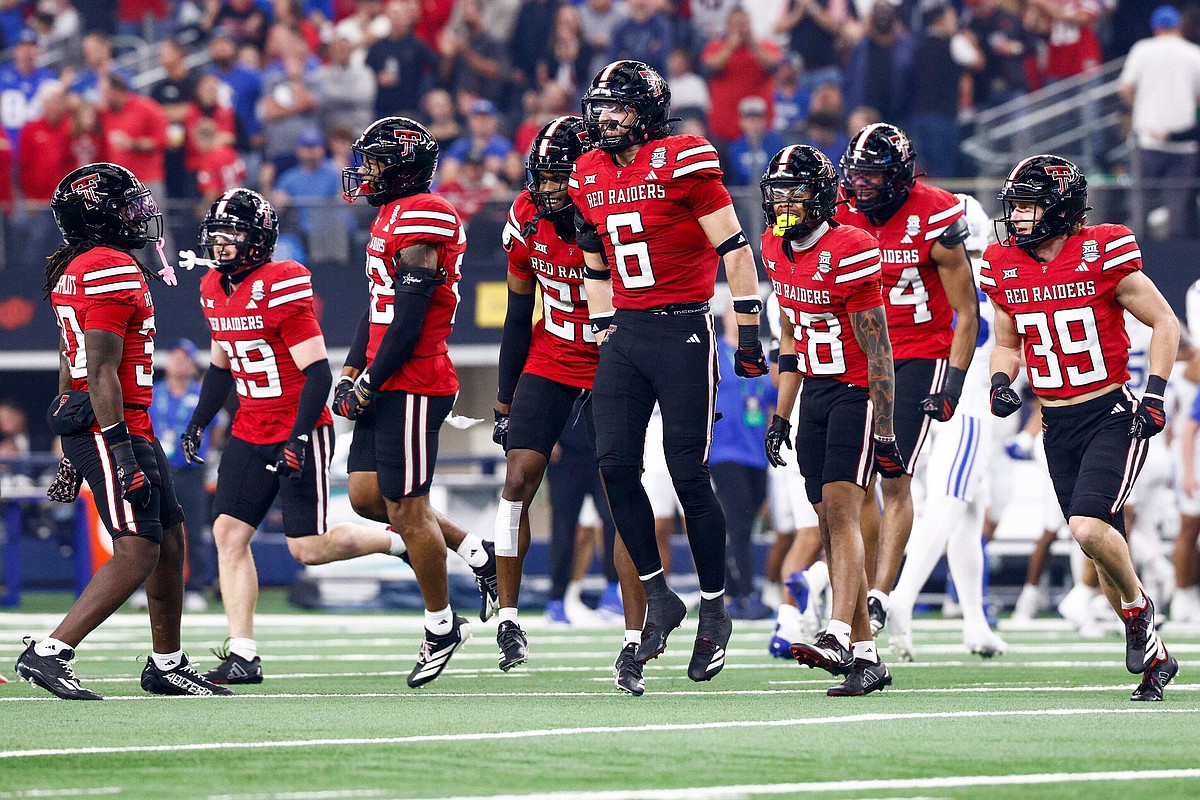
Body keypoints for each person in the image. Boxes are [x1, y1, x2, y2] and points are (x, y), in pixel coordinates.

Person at [570, 60, 768, 682]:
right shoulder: (588, 171)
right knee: (614, 467)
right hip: (626, 332)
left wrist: (749, 328)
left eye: (617, 107)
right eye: (599, 106)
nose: (603, 119)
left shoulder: (684, 158)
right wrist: (603, 332)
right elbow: (595, 261)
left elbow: (735, 247)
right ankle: (659, 596)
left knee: (687, 471)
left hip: (684, 327)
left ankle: (714, 607)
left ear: (648, 112)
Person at [16, 163, 231, 700]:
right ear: (101, 218)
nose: (141, 215)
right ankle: (50, 652)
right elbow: (101, 368)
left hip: (120, 425)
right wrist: (118, 449)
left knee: (173, 539)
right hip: (115, 428)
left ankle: (166, 663)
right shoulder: (109, 266)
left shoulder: (81, 264)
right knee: (138, 548)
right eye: (128, 207)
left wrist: (74, 453)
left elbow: (73, 362)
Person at [980, 153, 1182, 701]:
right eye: (1015, 206)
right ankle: (1156, 656)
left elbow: (1165, 321)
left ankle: (1139, 615)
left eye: (1029, 205)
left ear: (1061, 208)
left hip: (1110, 414)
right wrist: (1003, 382)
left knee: (1088, 529)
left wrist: (1157, 392)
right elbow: (1005, 341)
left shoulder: (1101, 250)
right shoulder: (1003, 263)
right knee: (1097, 545)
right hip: (1056, 421)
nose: (1018, 217)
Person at [177, 189, 391, 684]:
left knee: (307, 549)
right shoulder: (212, 286)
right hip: (251, 426)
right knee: (229, 532)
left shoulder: (282, 282)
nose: (220, 243)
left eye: (233, 234)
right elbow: (220, 368)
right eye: (217, 233)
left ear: (258, 240)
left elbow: (317, 373)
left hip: (298, 424)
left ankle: (397, 541)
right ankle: (243, 654)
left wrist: (297, 438)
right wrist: (198, 421)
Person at [337, 117, 493, 688]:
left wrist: (371, 381)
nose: (367, 172)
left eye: (376, 162)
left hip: (413, 378)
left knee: (406, 508)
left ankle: (439, 625)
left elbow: (409, 316)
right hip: (384, 372)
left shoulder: (426, 212)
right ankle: (477, 552)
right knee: (365, 497)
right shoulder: (389, 214)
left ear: (403, 167)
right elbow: (378, 305)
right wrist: (352, 366)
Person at [491, 115, 645, 692]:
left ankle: (634, 637)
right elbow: (514, 315)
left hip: (613, 356)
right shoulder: (527, 217)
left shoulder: (613, 215)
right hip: (552, 353)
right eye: (543, 176)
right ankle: (508, 618)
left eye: (560, 177)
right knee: (517, 479)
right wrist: (504, 399)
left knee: (620, 492)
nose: (547, 189)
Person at [759, 144, 900, 696]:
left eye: (797, 190)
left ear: (820, 195)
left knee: (842, 509)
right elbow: (793, 334)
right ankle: (867, 657)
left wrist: (885, 425)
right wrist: (780, 414)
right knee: (825, 519)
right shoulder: (775, 246)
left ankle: (839, 630)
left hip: (856, 392)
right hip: (815, 389)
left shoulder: (851, 247)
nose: (785, 202)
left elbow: (880, 348)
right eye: (779, 191)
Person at [834, 123, 979, 636]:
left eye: (874, 175)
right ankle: (853, 588)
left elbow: (967, 311)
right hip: (859, 355)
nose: (863, 186)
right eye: (858, 174)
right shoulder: (840, 209)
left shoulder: (936, 215)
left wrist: (954, 384)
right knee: (849, 483)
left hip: (919, 353)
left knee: (892, 471)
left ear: (898, 177)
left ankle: (879, 594)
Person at [886, 194, 1008, 661]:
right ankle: (900, 596)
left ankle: (975, 623)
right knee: (950, 502)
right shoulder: (976, 275)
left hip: (922, 387)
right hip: (965, 398)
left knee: (968, 514)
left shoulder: (922, 271)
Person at [1118, 4, 1200, 238]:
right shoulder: (1194, 52)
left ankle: (1135, 253)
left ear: (1155, 28)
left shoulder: (1142, 49)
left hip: (1148, 138)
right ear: (1178, 27)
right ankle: (1176, 260)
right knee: (1178, 209)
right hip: (1184, 142)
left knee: (1141, 202)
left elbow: (1125, 89)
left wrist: (1139, 108)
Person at [150, 338, 214, 613]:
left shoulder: (202, 393)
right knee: (153, 530)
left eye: (185, 357)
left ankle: (196, 587)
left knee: (194, 530)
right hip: (158, 470)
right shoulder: (154, 393)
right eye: (175, 356)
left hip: (191, 472)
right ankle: (150, 588)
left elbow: (217, 427)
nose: (179, 362)